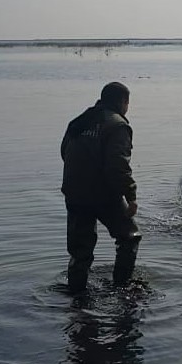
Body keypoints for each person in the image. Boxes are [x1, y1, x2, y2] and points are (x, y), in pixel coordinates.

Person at [61, 81, 141, 293]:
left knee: (80, 251)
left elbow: (64, 153)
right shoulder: (118, 125)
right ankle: (122, 288)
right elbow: (118, 166)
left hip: (74, 193)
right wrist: (131, 195)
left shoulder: (79, 121)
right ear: (123, 102)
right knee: (129, 237)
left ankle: (76, 298)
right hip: (102, 194)